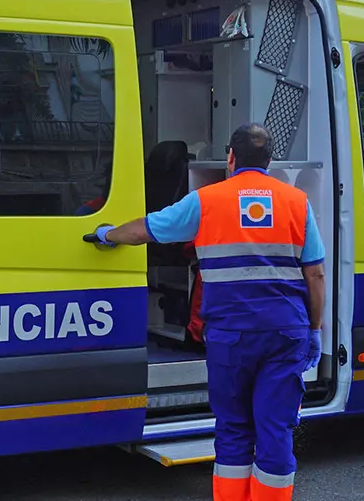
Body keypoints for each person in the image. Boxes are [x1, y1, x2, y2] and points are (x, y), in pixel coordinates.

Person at [88, 123, 326, 501]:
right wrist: (314, 329)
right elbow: (315, 274)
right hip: (285, 332)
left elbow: (146, 230)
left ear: (231, 157)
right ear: (269, 161)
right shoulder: (297, 201)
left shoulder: (206, 200)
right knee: (275, 429)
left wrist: (106, 234)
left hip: (231, 336)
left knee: (233, 428)